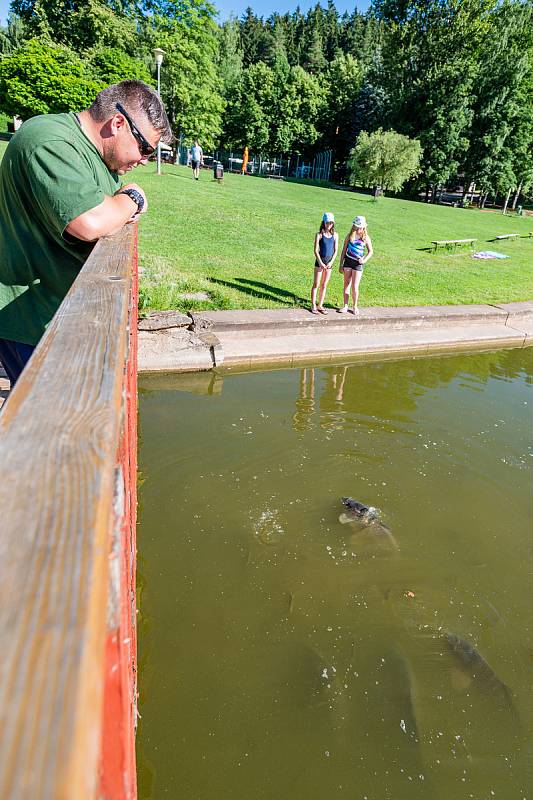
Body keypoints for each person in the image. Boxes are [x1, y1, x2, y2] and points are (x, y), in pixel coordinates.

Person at [0, 79, 171, 386]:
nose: (144, 160)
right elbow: (90, 221)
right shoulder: (50, 141)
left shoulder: (95, 156)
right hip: (30, 320)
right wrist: (132, 198)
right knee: (50, 424)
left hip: (62, 314)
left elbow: (110, 213)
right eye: (145, 148)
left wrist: (121, 204)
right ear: (118, 122)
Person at [338, 215, 373, 315]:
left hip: (358, 264)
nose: (359, 229)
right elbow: (344, 250)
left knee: (355, 286)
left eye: (361, 227)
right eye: (358, 227)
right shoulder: (349, 236)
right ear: (354, 226)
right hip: (348, 262)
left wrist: (364, 260)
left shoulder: (366, 238)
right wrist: (341, 264)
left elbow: (371, 252)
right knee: (346, 284)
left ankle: (355, 306)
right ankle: (345, 305)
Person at [311, 212, 338, 315]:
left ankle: (320, 305)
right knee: (316, 284)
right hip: (320, 263)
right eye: (327, 223)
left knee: (324, 285)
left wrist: (331, 262)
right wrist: (320, 262)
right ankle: (313, 305)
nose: (329, 225)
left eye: (331, 223)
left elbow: (335, 251)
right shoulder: (319, 235)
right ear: (323, 223)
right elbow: (315, 251)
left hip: (329, 264)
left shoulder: (335, 235)